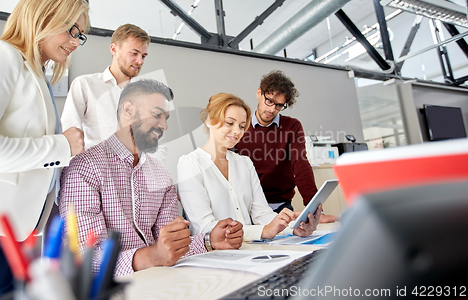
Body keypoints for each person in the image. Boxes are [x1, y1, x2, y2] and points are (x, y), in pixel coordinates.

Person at [0, 0, 88, 298]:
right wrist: (60, 146)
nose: (75, 42)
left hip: (18, 234)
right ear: (43, 16)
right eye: (72, 30)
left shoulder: (37, 76)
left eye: (81, 35)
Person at [59, 80, 243, 276]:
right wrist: (153, 256)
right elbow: (85, 258)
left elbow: (169, 247)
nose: (163, 125)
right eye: (157, 115)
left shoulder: (161, 175)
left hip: (160, 282)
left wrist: (210, 241)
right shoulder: (85, 168)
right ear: (128, 110)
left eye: (166, 118)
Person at [177, 93, 321, 242]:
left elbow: (262, 214)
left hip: (248, 250)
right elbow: (204, 227)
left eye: (241, 126)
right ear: (209, 120)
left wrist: (293, 227)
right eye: (229, 123)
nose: (237, 131)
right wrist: (264, 230)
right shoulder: (190, 164)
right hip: (212, 255)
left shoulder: (244, 163)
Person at [235, 70, 336, 223]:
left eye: (279, 105)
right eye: (268, 101)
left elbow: (300, 163)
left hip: (281, 207)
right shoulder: (240, 126)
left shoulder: (292, 126)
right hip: (247, 208)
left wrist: (313, 207)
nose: (271, 110)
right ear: (259, 93)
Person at [61, 23, 151, 150]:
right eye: (134, 53)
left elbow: (156, 142)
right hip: (94, 167)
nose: (140, 61)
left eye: (143, 56)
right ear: (114, 49)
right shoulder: (85, 85)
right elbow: (70, 134)